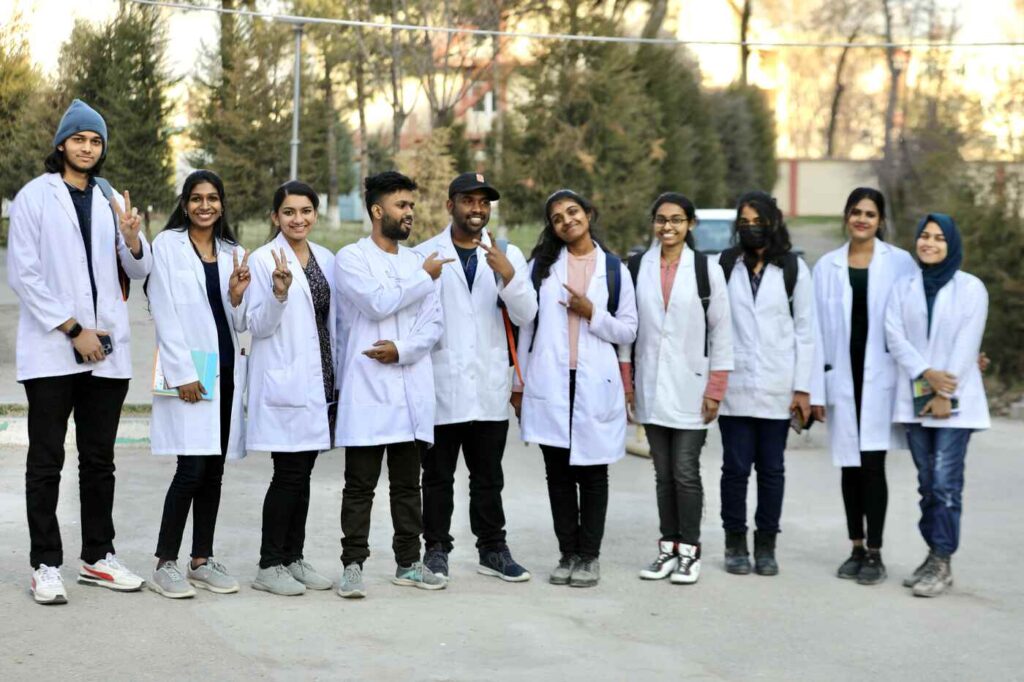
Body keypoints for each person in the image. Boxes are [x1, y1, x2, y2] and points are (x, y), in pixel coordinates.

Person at [7, 99, 152, 604]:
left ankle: (97, 557)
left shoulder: (111, 198)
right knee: (47, 460)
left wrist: (133, 240)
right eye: (79, 139)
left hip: (107, 352)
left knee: (99, 461)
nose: (88, 148)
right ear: (61, 144)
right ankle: (45, 564)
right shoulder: (35, 196)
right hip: (53, 350)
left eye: (95, 141)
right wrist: (73, 329)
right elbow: (23, 273)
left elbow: (138, 271)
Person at [413, 172, 537, 582]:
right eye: (469, 200)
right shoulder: (424, 254)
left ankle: (492, 549)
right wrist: (423, 279)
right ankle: (435, 549)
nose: (477, 209)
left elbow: (526, 314)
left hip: (487, 385)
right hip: (441, 384)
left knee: (488, 478)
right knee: (437, 477)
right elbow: (413, 317)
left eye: (484, 202)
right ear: (451, 205)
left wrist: (509, 276)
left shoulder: (508, 253)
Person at [512, 189, 638, 588]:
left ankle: (589, 556)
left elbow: (628, 330)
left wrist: (592, 313)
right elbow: (526, 328)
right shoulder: (541, 268)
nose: (567, 221)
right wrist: (519, 384)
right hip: (550, 381)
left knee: (593, 474)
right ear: (552, 227)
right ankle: (567, 553)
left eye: (573, 212)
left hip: (594, 382)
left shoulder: (614, 269)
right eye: (557, 218)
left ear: (588, 213)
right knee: (559, 475)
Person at [334, 171, 447, 598]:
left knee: (407, 486)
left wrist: (400, 349)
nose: (409, 213)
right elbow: (377, 302)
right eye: (402, 205)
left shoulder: (419, 261)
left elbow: (432, 325)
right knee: (359, 486)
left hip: (408, 386)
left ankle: (408, 563)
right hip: (367, 388)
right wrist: (423, 278)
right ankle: (352, 565)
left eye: (411, 206)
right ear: (377, 211)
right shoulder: (352, 257)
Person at [146, 170, 251, 598]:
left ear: (222, 204)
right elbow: (162, 309)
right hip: (190, 368)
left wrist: (238, 295)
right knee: (190, 469)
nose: (204, 206)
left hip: (225, 368)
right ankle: (165, 563)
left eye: (212, 198)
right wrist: (182, 373)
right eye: (196, 198)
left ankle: (201, 560)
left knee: (214, 471)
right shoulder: (167, 245)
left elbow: (240, 322)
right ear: (185, 204)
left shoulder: (233, 251)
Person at [808, 188, 917, 585]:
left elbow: (915, 317)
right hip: (841, 377)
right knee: (849, 467)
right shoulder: (827, 266)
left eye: (870, 214)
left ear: (880, 221)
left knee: (872, 466)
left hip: (882, 379)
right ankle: (855, 547)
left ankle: (875, 552)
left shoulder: (900, 263)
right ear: (846, 216)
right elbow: (814, 332)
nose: (862, 219)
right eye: (856, 212)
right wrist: (814, 392)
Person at [625, 193, 733, 585]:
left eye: (676, 220)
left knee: (685, 472)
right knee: (663, 474)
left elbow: (723, 331)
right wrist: (627, 384)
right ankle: (667, 548)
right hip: (651, 384)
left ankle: (689, 551)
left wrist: (716, 388)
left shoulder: (707, 270)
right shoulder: (637, 267)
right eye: (661, 219)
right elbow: (628, 330)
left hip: (692, 387)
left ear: (690, 224)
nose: (667, 226)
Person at [885, 213, 989, 598]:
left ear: (952, 244)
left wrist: (945, 394)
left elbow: (967, 342)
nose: (929, 243)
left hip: (955, 402)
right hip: (916, 395)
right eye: (925, 236)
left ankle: (942, 561)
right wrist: (926, 374)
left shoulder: (971, 288)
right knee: (927, 485)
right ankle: (932, 555)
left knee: (945, 484)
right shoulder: (903, 287)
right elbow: (894, 336)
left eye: (939, 238)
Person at [717, 190, 815, 577]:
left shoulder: (792, 268)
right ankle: (735, 544)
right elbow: (713, 326)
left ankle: (766, 546)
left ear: (774, 223)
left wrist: (803, 388)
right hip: (735, 387)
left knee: (772, 471)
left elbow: (806, 331)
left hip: (778, 387)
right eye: (744, 221)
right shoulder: (726, 264)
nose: (751, 228)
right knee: (735, 469)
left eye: (759, 221)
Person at [246, 181, 337, 596]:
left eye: (305, 211)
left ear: (315, 214)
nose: (298, 219)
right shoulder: (263, 259)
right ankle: (269, 564)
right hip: (287, 379)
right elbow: (257, 325)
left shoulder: (326, 258)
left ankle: (293, 557)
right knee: (288, 474)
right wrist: (278, 294)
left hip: (320, 378)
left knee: (304, 474)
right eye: (288, 212)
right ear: (275, 217)